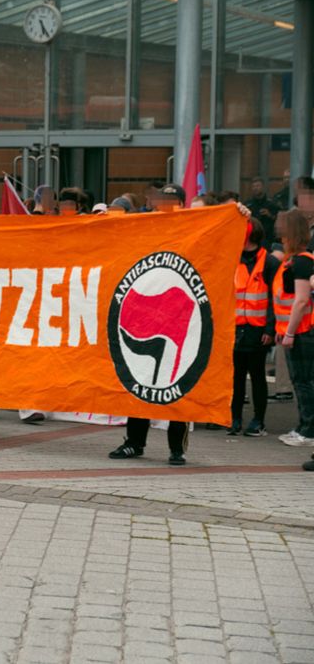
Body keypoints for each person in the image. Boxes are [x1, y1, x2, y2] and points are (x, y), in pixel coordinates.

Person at [110, 183, 190, 466]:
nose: (164, 204)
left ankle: (177, 448)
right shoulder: (146, 225)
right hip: (147, 312)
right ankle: (134, 442)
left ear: (182, 202)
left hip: (178, 314)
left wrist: (237, 211)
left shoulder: (194, 228)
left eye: (170, 200)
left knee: (178, 383)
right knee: (139, 380)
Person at [230, 218, 279, 436]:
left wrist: (270, 329)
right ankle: (235, 418)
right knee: (236, 377)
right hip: (235, 329)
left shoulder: (268, 262)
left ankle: (258, 420)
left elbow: (274, 298)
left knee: (257, 375)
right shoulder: (233, 259)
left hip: (258, 331)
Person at [273, 210, 314, 447]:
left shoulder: (300, 262)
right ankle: (303, 427)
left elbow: (300, 300)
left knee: (304, 381)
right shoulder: (294, 261)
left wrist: (289, 332)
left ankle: (308, 430)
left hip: (302, 332)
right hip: (296, 330)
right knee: (301, 381)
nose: (280, 232)